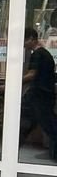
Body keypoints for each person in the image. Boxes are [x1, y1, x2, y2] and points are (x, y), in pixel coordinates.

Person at [21, 27, 57, 160]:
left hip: (40, 95)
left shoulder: (37, 55)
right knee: (44, 124)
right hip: (43, 94)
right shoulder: (45, 54)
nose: (23, 44)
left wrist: (12, 84)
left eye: (24, 41)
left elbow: (31, 75)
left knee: (49, 125)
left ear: (31, 39)